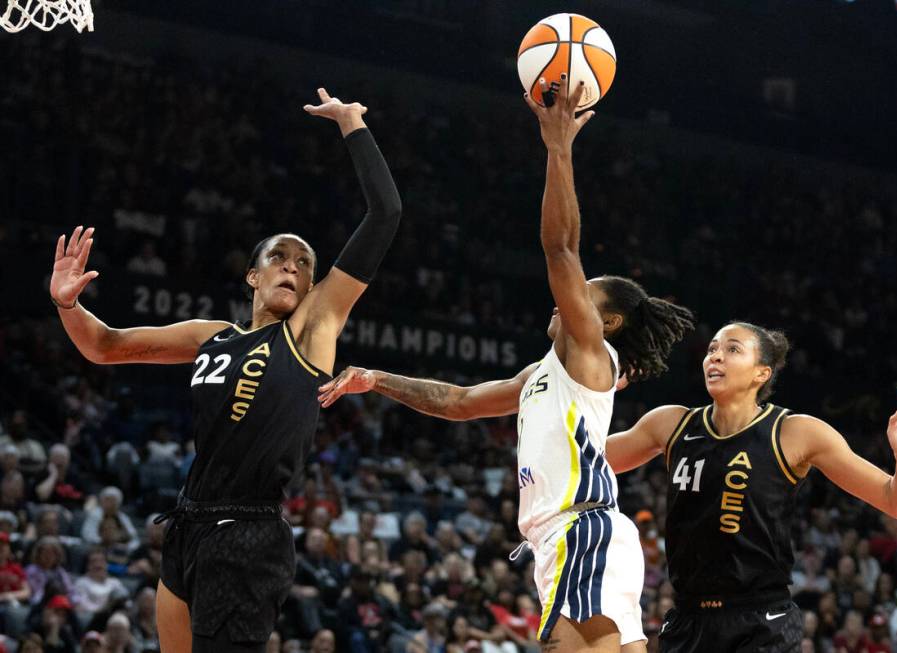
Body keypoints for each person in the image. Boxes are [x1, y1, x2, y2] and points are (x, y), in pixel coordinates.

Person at [318, 77, 695, 652]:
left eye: (583, 295)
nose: (564, 298)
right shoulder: (542, 375)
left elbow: (560, 249)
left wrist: (558, 147)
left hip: (580, 528)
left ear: (607, 321)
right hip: (574, 536)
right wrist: (376, 380)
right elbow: (461, 403)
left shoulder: (589, 352)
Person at [50, 87, 402, 653]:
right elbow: (106, 346)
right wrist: (69, 304)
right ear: (252, 276)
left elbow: (385, 215)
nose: (291, 266)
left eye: (303, 264)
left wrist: (352, 124)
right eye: (278, 259)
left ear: (312, 286)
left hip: (250, 531)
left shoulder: (312, 329)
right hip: (188, 523)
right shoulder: (212, 336)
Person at [602, 321, 897, 652]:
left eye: (732, 349)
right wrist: (596, 397)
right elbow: (586, 461)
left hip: (762, 622)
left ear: (761, 372)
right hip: (688, 620)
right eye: (712, 349)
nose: (715, 356)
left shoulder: (795, 432)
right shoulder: (671, 423)